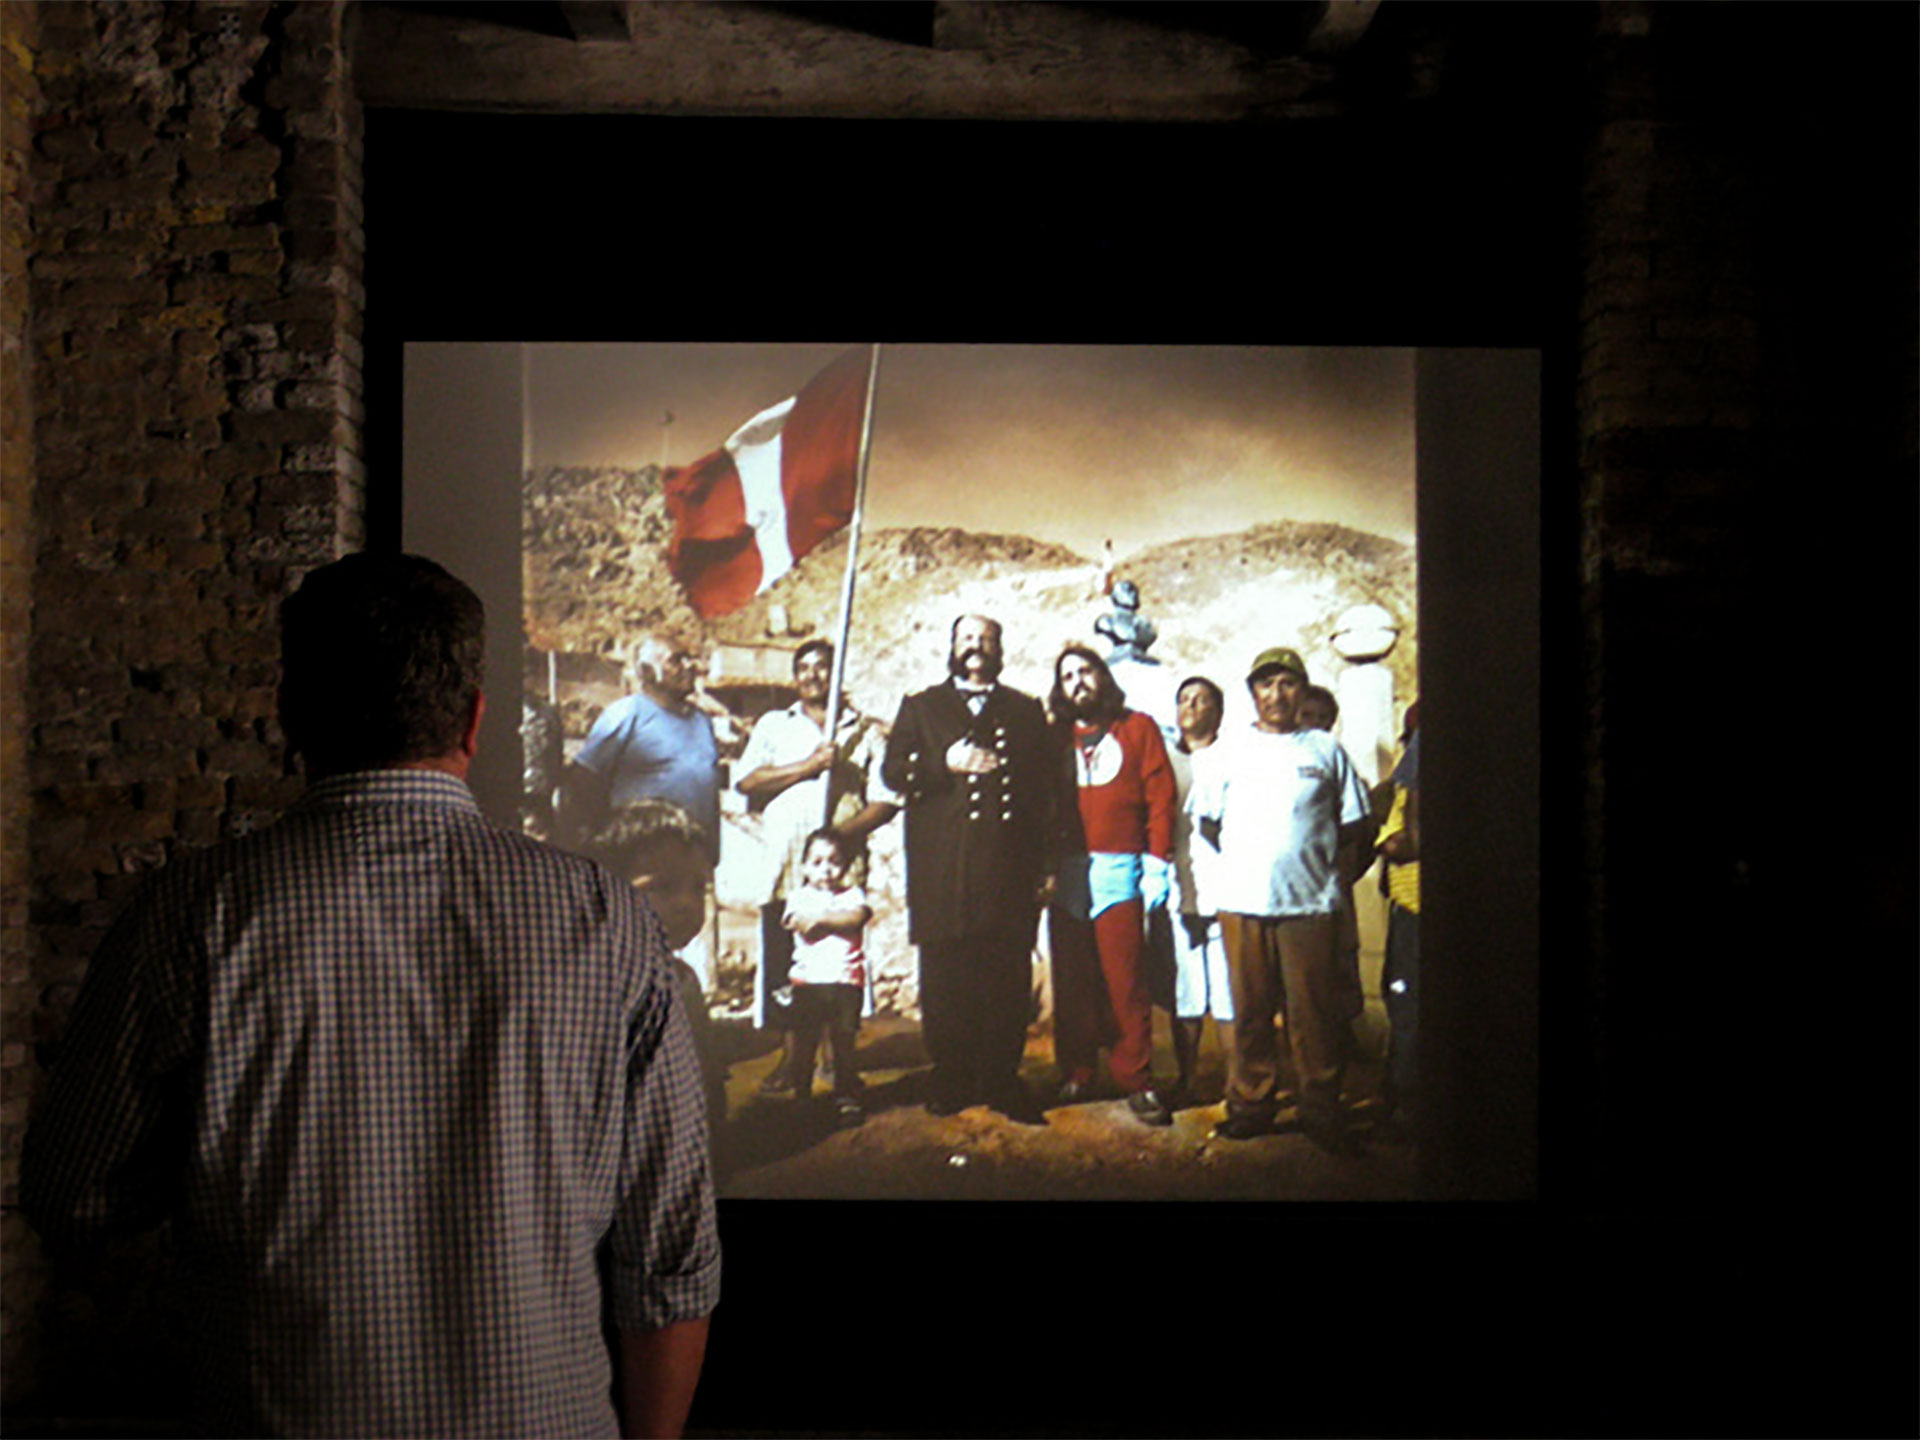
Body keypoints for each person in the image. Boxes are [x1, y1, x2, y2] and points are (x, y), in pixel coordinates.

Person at [20, 553, 719, 1438]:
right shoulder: (606, 918)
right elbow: (671, 1255)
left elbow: (72, 1196)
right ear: (474, 720)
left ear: (289, 716)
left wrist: (219, 1161)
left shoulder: (191, 916)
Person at [1190, 645, 1374, 1155]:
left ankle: (1321, 1108)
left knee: (1314, 1015)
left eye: (1288, 684)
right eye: (1266, 684)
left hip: (1311, 908)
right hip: (1244, 904)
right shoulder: (1226, 752)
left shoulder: (1325, 750)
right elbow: (1207, 824)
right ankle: (1251, 1105)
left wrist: (1330, 883)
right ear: (1253, 693)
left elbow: (1355, 828)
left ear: (1301, 691)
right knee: (1250, 1012)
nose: (1277, 694)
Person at [881, 614, 1057, 1122]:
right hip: (942, 867)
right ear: (952, 646)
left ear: (999, 649)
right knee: (946, 979)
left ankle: (1002, 1080)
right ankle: (952, 1077)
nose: (976, 646)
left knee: (1005, 977)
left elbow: (1044, 795)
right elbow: (893, 771)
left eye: (986, 639)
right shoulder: (921, 706)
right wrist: (944, 764)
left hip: (1009, 868)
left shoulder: (1024, 710)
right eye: (966, 638)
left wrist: (1046, 864)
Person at [733, 639, 897, 1097]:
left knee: (838, 965)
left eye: (822, 667)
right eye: (803, 668)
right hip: (786, 868)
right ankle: (792, 1059)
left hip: (839, 878)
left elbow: (886, 799)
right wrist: (808, 766)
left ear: (837, 673)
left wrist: (840, 839)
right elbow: (748, 780)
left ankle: (836, 1060)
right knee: (790, 970)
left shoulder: (863, 730)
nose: (812, 676)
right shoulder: (773, 726)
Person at [1045, 644, 1179, 1125]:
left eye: (1086, 671)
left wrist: (1158, 861)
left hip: (1120, 867)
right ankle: (1078, 1072)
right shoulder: (1053, 736)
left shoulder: (1138, 728)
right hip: (1067, 871)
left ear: (1102, 676)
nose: (1078, 681)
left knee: (1125, 980)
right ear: (1059, 689)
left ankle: (1137, 1079)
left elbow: (1161, 797)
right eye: (1067, 676)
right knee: (1073, 978)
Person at [595, 799, 730, 1141]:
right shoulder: (595, 987)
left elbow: (706, 1074)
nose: (687, 904)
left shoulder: (683, 979)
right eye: (661, 887)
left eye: (698, 888)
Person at [560, 630, 722, 863]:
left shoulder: (702, 722)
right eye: (676, 660)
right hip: (640, 855)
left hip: (694, 854)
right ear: (646, 671)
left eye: (689, 658)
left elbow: (709, 787)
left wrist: (713, 851)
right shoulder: (627, 713)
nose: (690, 666)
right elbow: (583, 781)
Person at [1165, 674, 1235, 1106]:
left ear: (1218, 711)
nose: (1192, 706)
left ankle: (1237, 1082)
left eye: (1202, 699)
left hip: (1226, 885)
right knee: (1185, 992)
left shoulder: (1233, 758)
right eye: (1185, 699)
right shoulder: (1165, 760)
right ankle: (1186, 1078)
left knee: (1229, 991)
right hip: (1177, 886)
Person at [781, 828, 875, 1129]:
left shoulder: (853, 895)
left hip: (846, 981)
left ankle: (846, 1095)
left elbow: (857, 917)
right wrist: (829, 921)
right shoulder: (798, 897)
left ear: (845, 866)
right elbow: (798, 924)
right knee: (805, 1043)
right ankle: (802, 1095)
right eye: (817, 861)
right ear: (805, 866)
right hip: (809, 984)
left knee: (844, 1042)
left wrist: (821, 919)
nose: (826, 869)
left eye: (834, 861)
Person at [1295, 681, 1371, 1043]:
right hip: (1290, 888)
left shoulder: (1336, 764)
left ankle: (1342, 1038)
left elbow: (1359, 826)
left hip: (1330, 883)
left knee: (1338, 963)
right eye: (1307, 716)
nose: (1314, 724)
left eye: (1323, 719)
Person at [1375, 705, 1421, 1141]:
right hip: (1408, 903)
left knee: (1408, 1006)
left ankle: (1406, 1105)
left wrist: (1395, 840)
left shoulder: (1416, 764)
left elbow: (1404, 841)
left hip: (1417, 907)